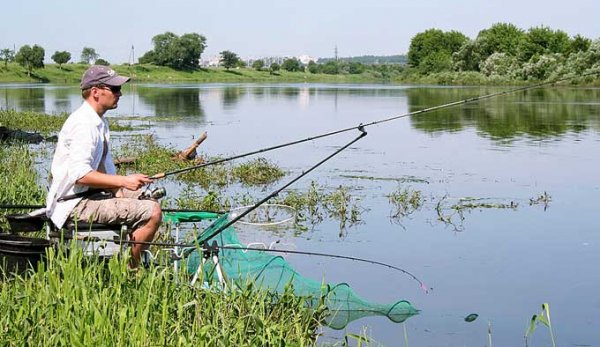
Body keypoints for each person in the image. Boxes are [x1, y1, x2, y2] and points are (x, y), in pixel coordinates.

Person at [46, 65, 161, 268]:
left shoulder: (98, 121)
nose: (120, 94)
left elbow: (102, 171)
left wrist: (120, 188)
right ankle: (131, 269)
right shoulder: (84, 124)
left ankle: (126, 251)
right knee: (152, 211)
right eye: (114, 89)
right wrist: (124, 181)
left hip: (89, 195)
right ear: (95, 92)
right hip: (75, 204)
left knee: (148, 197)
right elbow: (80, 175)